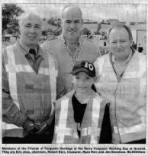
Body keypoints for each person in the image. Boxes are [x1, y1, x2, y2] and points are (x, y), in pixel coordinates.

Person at [2, 12, 58, 143]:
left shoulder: (51, 59)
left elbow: (56, 94)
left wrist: (50, 121)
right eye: (28, 25)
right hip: (15, 135)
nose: (32, 30)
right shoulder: (4, 56)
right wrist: (24, 122)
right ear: (19, 28)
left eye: (37, 26)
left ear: (41, 30)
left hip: (46, 133)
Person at [94, 23, 146, 144]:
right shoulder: (99, 64)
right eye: (114, 42)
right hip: (107, 136)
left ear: (131, 41)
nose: (118, 46)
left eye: (122, 41)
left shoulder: (145, 64)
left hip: (137, 138)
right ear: (108, 42)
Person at [42, 5, 98, 98]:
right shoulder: (46, 48)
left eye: (76, 21)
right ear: (61, 23)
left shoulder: (93, 49)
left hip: (85, 108)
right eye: (68, 22)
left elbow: (98, 82)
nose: (72, 26)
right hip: (56, 109)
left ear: (82, 23)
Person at [53, 61, 107, 144]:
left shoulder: (102, 105)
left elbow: (105, 140)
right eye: (77, 78)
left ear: (94, 80)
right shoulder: (60, 104)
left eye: (87, 78)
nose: (81, 83)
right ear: (72, 79)